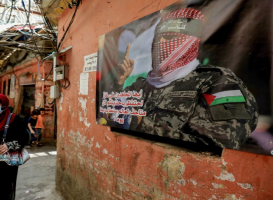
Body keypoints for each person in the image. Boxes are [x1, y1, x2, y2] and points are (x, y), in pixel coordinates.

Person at [107, 7, 259, 150]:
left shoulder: (217, 82)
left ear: (189, 42)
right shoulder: (143, 85)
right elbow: (112, 107)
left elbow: (219, 144)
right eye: (158, 38)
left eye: (169, 37)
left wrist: (140, 123)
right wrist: (119, 83)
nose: (160, 43)